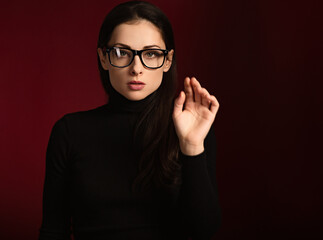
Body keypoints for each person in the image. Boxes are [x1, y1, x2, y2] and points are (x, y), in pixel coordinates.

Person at [38, 1, 221, 239]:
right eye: (122, 52)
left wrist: (192, 147)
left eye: (151, 53)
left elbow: (204, 230)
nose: (136, 68)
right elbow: (53, 231)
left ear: (167, 61)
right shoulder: (69, 132)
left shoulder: (191, 128)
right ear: (104, 58)